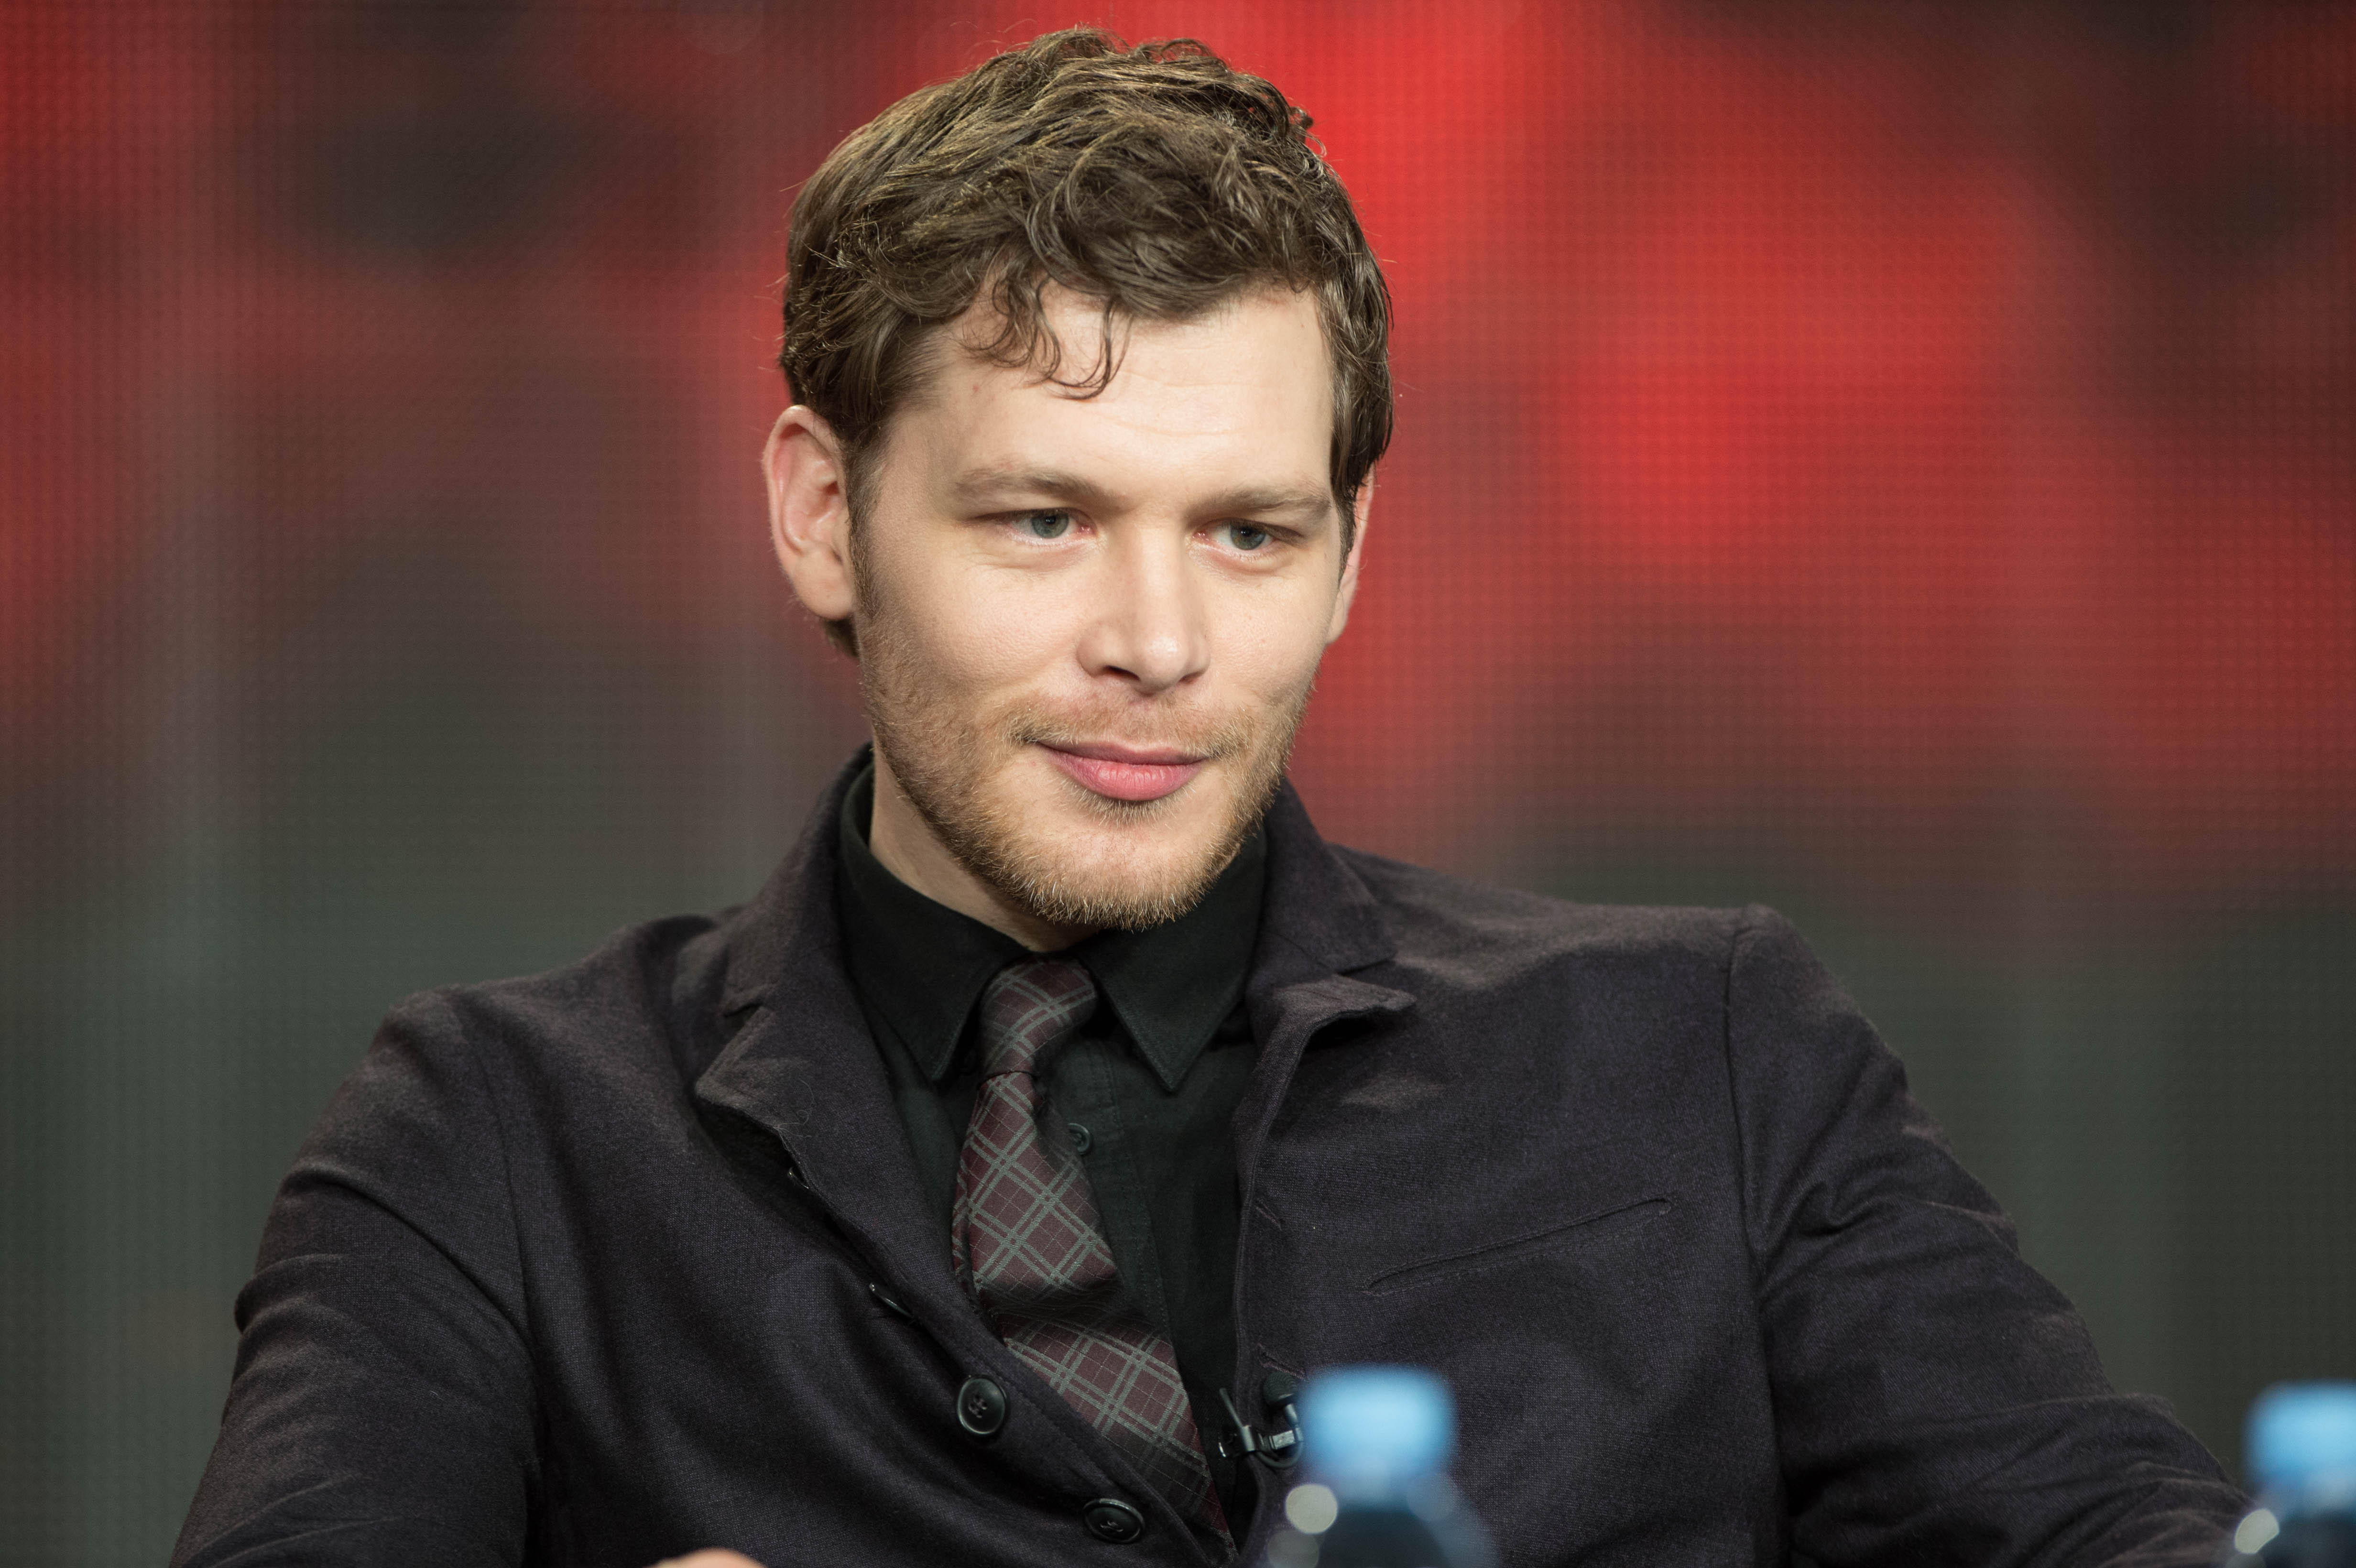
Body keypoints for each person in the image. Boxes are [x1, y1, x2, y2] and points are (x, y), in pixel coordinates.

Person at [173, 27, 2246, 1568]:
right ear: (823, 514)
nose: (1157, 639)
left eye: (1248, 533)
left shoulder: (1710, 1051)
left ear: (1352, 548)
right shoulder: (496, 1141)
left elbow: (2103, 1536)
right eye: (1045, 520)